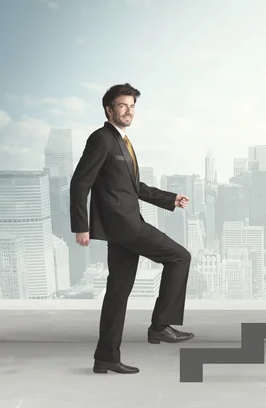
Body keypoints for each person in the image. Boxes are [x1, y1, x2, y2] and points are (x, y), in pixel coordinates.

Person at [69, 83, 194, 375]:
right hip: (125, 226)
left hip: (122, 227)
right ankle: (160, 327)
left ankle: (106, 358)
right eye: (122, 106)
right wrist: (81, 226)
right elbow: (80, 182)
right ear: (109, 110)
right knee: (180, 257)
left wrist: (169, 198)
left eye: (132, 106)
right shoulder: (101, 139)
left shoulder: (123, 141)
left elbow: (132, 187)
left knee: (118, 292)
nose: (129, 111)